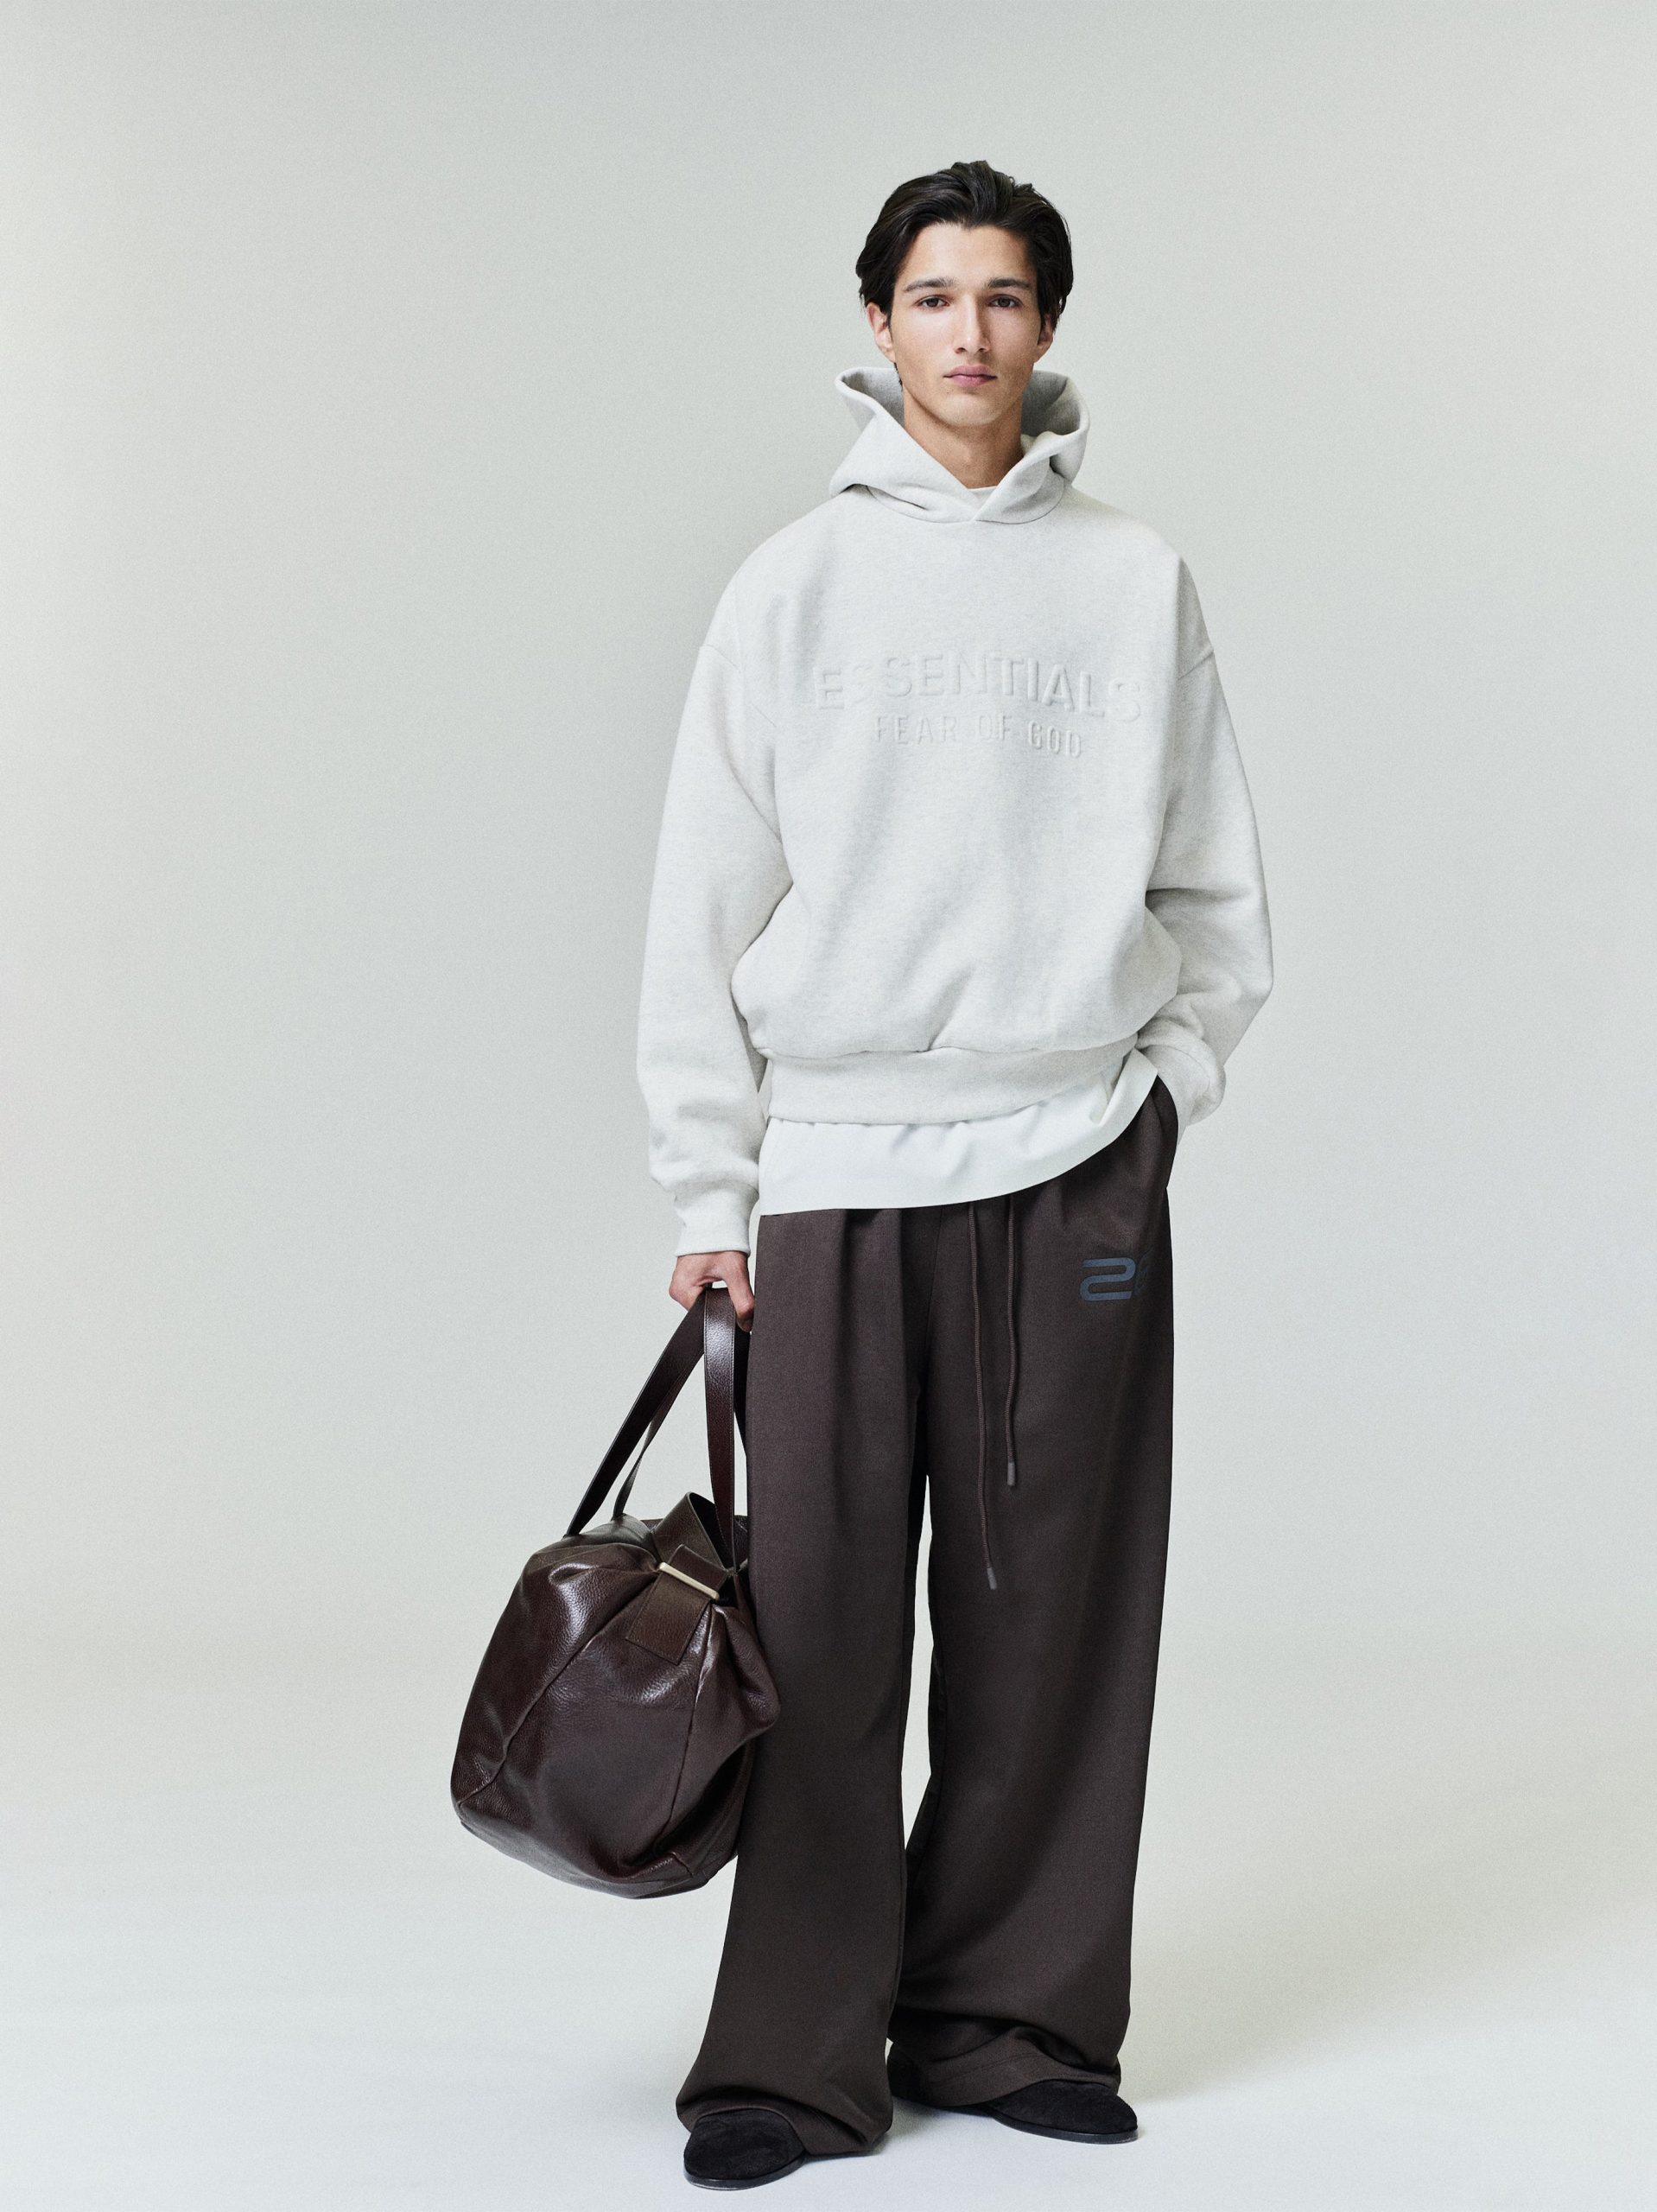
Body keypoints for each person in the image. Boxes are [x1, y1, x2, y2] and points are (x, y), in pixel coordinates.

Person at [635, 157, 1273, 2190]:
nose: (968, 332)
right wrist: (709, 1194)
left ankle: (1008, 2017)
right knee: (818, 1631)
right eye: (932, 295)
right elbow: (697, 907)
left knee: (1049, 1618)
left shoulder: (1132, 580)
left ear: (1046, 326)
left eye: (1002, 296)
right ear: (878, 321)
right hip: (835, 1169)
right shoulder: (792, 586)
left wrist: (1155, 1103)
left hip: (1072, 1162)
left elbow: (1212, 891)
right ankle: (791, 2054)